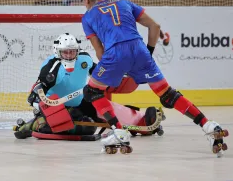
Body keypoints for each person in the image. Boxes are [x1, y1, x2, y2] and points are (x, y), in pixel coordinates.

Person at [79, 0, 228, 156]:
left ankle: (118, 131)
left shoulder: (87, 17)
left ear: (87, 0)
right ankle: (208, 125)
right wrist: (148, 52)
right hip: (140, 49)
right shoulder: (124, 2)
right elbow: (154, 26)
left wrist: (113, 70)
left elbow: (100, 51)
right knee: (167, 94)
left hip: (114, 55)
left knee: (91, 91)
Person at [13, 33, 164, 141]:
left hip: (80, 100)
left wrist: (120, 75)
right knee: (88, 127)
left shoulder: (84, 58)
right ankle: (33, 125)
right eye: (65, 52)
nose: (69, 55)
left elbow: (98, 73)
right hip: (60, 108)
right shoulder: (51, 68)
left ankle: (142, 120)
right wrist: (41, 106)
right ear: (57, 52)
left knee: (105, 108)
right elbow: (36, 93)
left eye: (72, 52)